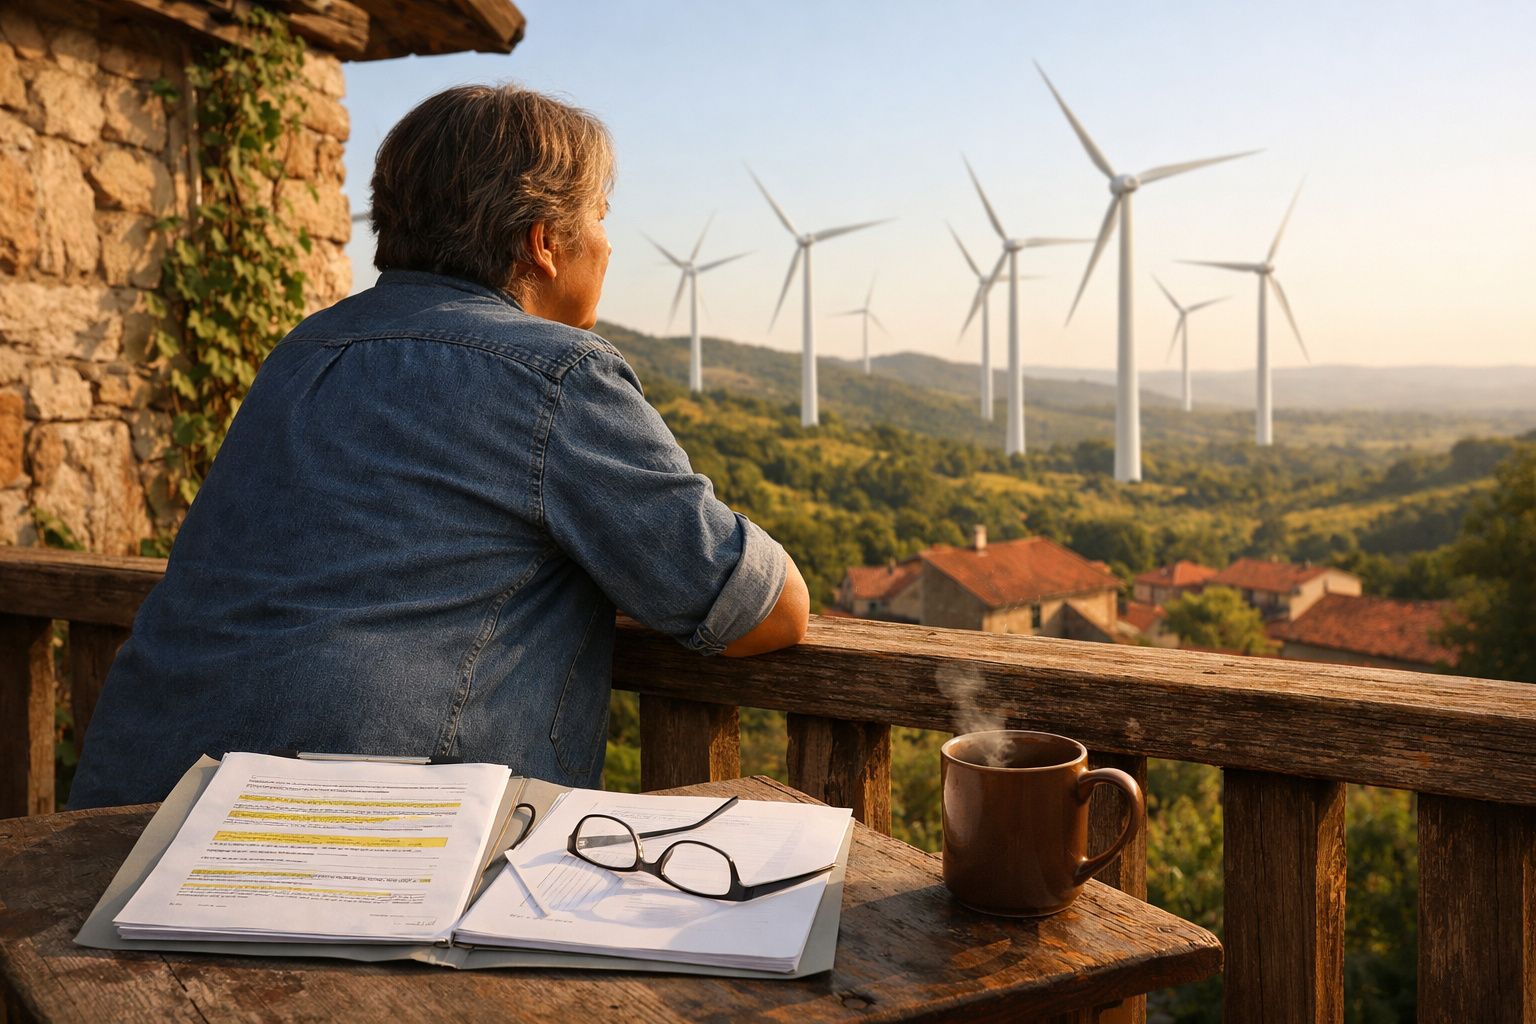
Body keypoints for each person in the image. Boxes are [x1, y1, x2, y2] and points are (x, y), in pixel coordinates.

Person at [68, 84, 809, 808]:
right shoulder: (558, 375)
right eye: (602, 218)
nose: (610, 246)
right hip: (355, 855)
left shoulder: (304, 350)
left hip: (135, 810)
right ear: (545, 243)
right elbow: (763, 611)